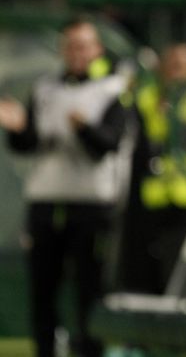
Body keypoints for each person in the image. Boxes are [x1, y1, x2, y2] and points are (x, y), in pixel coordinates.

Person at [0, 18, 131, 357]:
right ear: (62, 49)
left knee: (90, 288)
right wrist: (16, 128)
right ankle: (47, 349)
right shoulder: (45, 89)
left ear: (97, 50)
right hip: (45, 202)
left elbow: (107, 145)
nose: (77, 52)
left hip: (91, 204)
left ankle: (91, 350)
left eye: (84, 45)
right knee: (43, 288)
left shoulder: (113, 90)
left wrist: (84, 128)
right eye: (71, 45)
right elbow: (28, 143)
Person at [118, 43, 186, 293]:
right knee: (150, 257)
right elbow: (142, 134)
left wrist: (172, 116)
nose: (176, 72)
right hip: (156, 192)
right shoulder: (149, 95)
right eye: (171, 65)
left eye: (182, 66)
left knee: (185, 258)